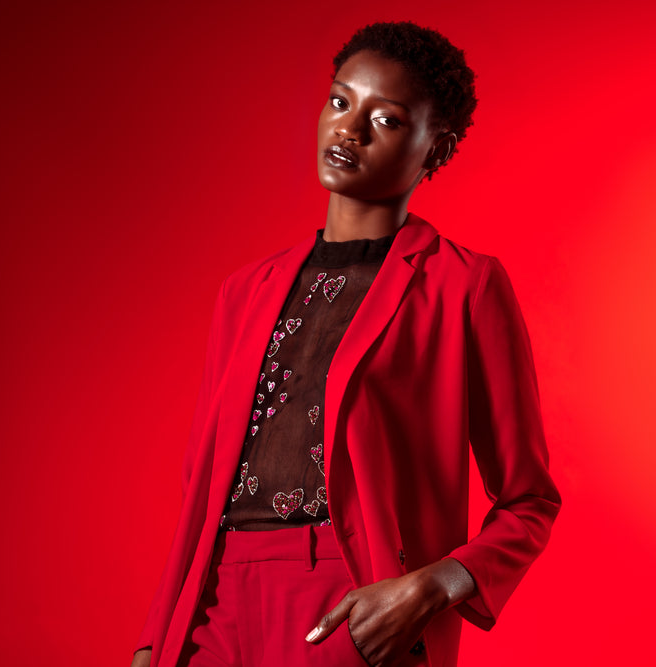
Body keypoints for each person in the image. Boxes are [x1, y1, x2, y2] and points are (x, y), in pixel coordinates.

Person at [132, 21, 560, 667]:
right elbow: (201, 486)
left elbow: (529, 500)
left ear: (435, 148)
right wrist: (155, 639)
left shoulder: (462, 285)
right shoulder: (246, 289)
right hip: (215, 598)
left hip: (349, 597)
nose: (349, 129)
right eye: (339, 102)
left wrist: (429, 587)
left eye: (384, 119)